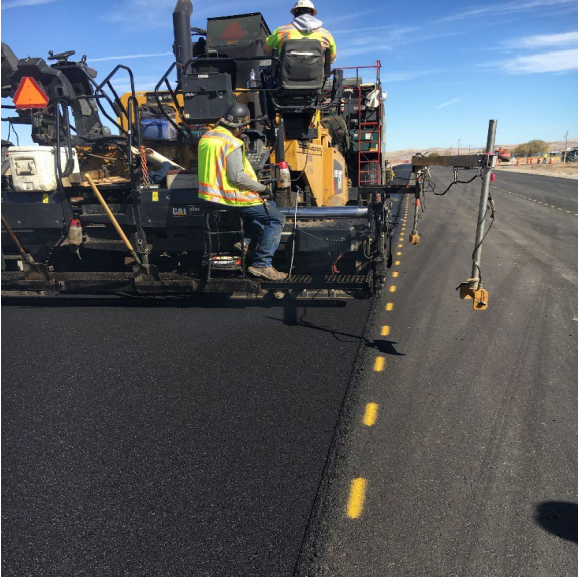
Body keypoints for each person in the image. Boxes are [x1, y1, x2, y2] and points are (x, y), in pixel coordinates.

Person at [198, 102, 286, 281]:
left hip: (210, 195)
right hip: (229, 197)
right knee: (277, 218)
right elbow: (237, 177)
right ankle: (263, 265)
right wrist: (262, 188)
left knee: (269, 206)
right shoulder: (232, 143)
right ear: (240, 126)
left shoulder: (206, 138)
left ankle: (245, 243)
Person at [265, 0, 337, 64]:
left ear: (294, 14)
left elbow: (268, 51)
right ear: (313, 14)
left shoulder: (281, 31)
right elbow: (331, 59)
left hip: (284, 77)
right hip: (317, 77)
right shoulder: (326, 34)